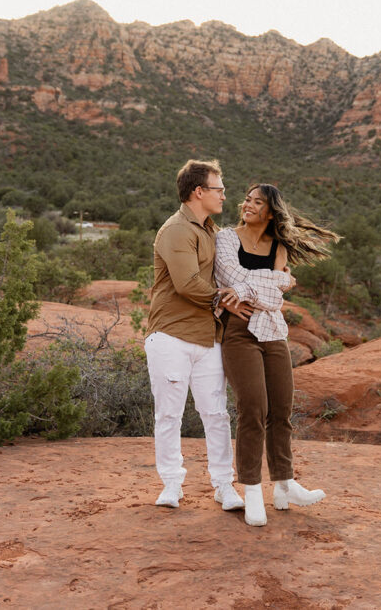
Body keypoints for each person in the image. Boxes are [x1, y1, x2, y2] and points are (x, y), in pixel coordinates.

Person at [214, 183, 340, 526]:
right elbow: (232, 277)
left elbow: (275, 293)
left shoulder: (279, 244)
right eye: (247, 199)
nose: (248, 205)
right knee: (253, 408)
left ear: (270, 211)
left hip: (272, 330)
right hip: (238, 330)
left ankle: (285, 484)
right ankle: (252, 489)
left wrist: (246, 290)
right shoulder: (226, 238)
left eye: (257, 202)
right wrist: (273, 282)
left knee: (282, 407)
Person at [143, 159, 244, 511]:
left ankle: (223, 486)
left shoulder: (212, 232)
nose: (224, 196)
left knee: (216, 414)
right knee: (169, 414)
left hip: (208, 337)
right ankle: (172, 485)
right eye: (219, 189)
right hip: (171, 335)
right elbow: (187, 284)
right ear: (198, 192)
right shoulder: (175, 230)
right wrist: (225, 299)